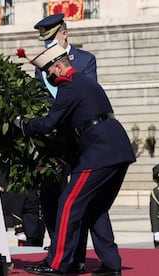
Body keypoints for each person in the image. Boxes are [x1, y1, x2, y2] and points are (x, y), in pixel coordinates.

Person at [14, 44, 135, 276]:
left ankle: (57, 263)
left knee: (69, 203)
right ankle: (111, 264)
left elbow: (50, 122)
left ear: (58, 67)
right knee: (96, 209)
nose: (49, 78)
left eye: (49, 73)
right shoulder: (87, 83)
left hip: (99, 152)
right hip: (117, 149)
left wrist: (24, 125)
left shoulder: (69, 85)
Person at [32, 13, 98, 270]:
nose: (49, 45)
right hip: (54, 141)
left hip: (80, 139)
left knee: (80, 198)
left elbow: (86, 93)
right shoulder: (41, 66)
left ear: (64, 34)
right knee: (51, 194)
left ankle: (77, 255)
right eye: (45, 41)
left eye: (53, 39)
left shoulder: (85, 60)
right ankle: (56, 248)